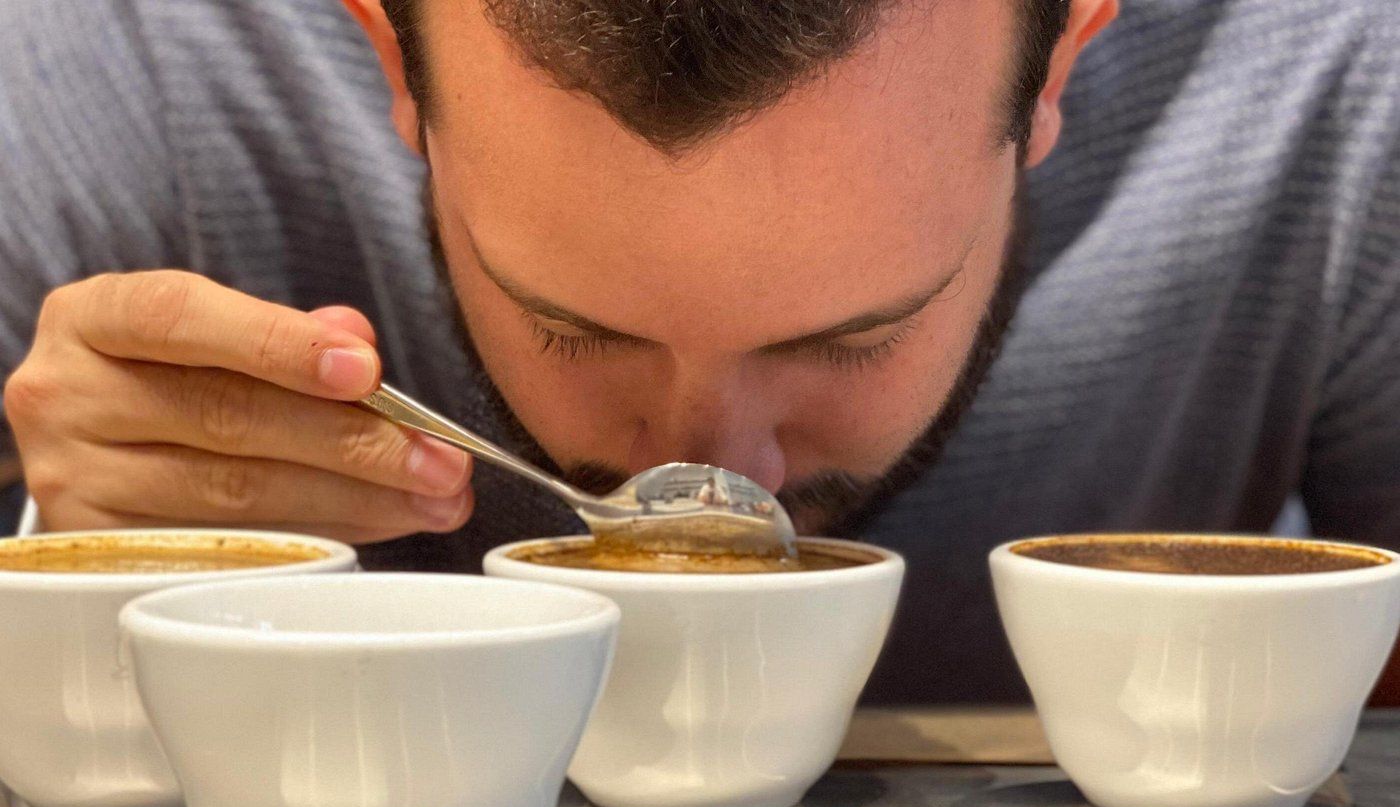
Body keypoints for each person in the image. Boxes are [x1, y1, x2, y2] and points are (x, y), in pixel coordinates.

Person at [0, 0, 1396, 703]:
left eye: (856, 337)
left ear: (1058, 53)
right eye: (569, 326)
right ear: (392, 50)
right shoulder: (105, 73)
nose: (711, 467)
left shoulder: (1341, 81)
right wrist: (49, 584)